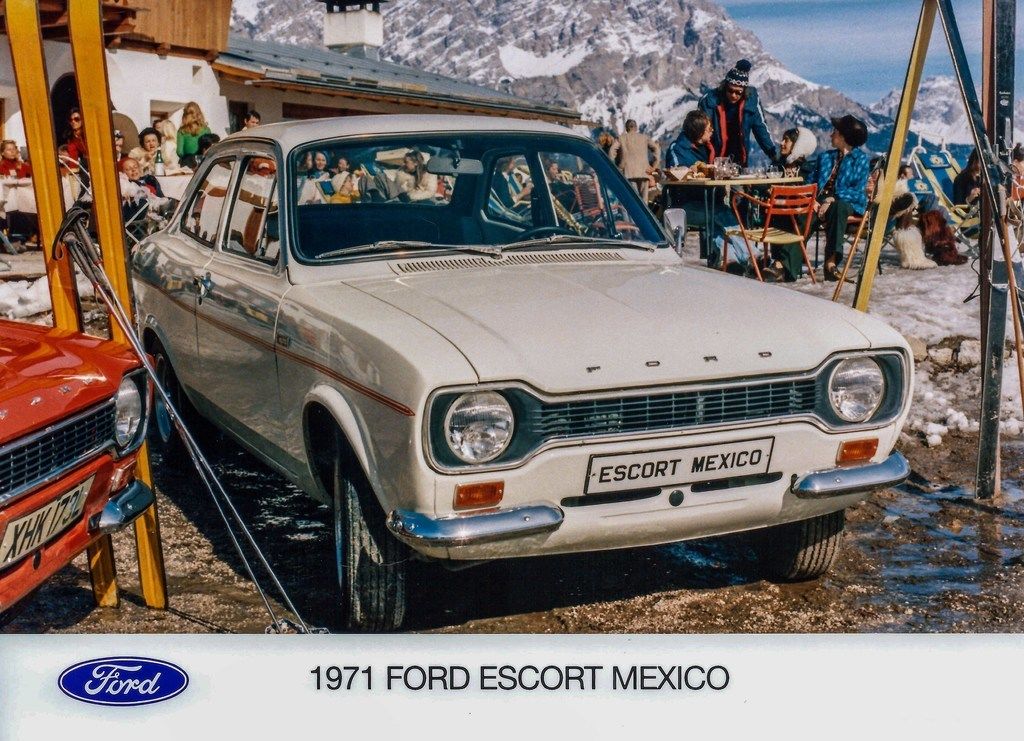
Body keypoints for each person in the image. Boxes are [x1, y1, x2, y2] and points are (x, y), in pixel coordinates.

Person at [666, 109, 751, 270]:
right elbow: (675, 171)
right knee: (721, 214)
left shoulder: (709, 147)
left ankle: (730, 261)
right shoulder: (677, 148)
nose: (712, 131)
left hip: (709, 202)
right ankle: (752, 256)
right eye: (709, 129)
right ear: (699, 132)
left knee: (718, 219)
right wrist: (692, 171)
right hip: (685, 206)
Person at [812, 114, 870, 280]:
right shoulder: (825, 157)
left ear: (844, 137)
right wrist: (812, 200)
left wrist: (833, 198)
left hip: (847, 202)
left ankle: (831, 263)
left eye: (835, 132)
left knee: (838, 208)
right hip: (819, 201)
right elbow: (812, 182)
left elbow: (857, 190)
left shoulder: (860, 159)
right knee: (803, 215)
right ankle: (784, 266)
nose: (831, 135)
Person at [697, 59, 776, 167]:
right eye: (730, 90)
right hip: (712, 159)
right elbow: (697, 131)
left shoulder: (751, 101)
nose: (734, 95)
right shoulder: (709, 101)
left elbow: (760, 128)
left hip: (739, 158)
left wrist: (773, 154)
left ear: (744, 91)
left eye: (738, 92)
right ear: (724, 86)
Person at [609, 119, 660, 202]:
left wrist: (614, 166)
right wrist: (654, 166)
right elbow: (656, 148)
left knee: (633, 200)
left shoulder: (621, 138)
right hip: (644, 172)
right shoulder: (644, 138)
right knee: (644, 202)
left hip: (628, 173)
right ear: (636, 128)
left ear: (626, 128)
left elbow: (612, 151)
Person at [176, 101, 212, 168]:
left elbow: (179, 152)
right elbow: (209, 149)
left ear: (185, 115)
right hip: (203, 162)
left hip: (187, 163)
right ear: (199, 114)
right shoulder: (206, 130)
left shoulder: (182, 131)